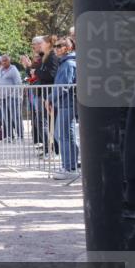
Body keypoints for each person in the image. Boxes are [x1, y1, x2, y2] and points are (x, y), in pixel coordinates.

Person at [51, 38, 79, 179]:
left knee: (65, 135)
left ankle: (70, 167)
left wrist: (50, 98)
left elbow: (63, 86)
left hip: (67, 103)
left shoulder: (68, 63)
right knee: (62, 135)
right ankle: (70, 165)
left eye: (59, 46)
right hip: (64, 103)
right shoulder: (65, 62)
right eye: (55, 46)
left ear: (67, 48)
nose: (55, 48)